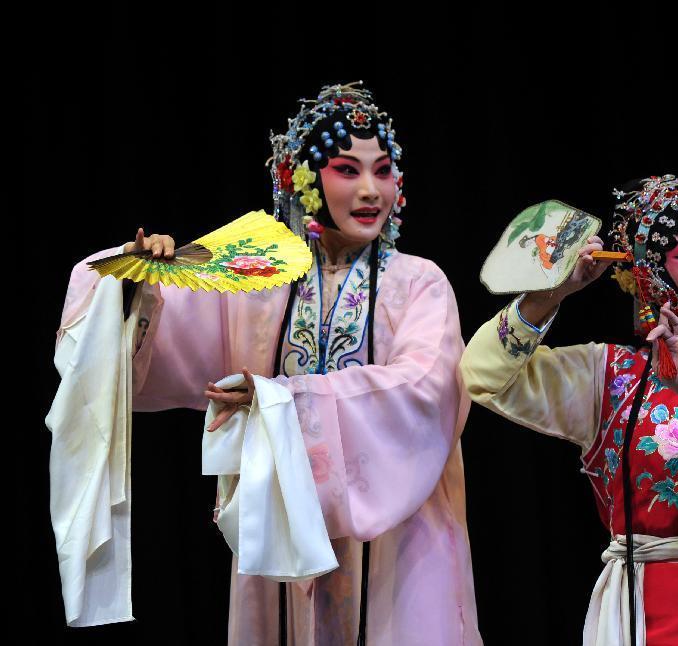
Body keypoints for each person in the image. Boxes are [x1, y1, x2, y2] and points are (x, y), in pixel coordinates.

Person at [51, 82, 482, 645]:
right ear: (304, 180)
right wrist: (138, 282)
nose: (371, 190)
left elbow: (424, 394)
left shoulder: (418, 284)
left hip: (398, 550)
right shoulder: (262, 283)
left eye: (384, 170)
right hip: (278, 538)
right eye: (348, 170)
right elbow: (159, 339)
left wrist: (283, 403)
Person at [459, 175, 678, 646]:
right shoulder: (609, 375)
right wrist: (551, 293)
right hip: (641, 615)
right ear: (651, 275)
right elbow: (484, 377)